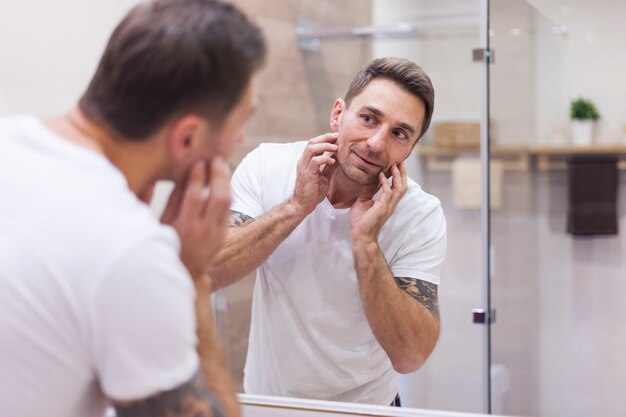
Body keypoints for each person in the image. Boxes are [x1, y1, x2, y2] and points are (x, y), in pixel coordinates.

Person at [0, 1, 265, 416]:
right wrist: (191, 279)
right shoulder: (131, 253)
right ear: (188, 138)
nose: (241, 137)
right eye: (240, 121)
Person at [209, 57, 447, 406]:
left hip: (369, 408)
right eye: (368, 118)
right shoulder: (267, 166)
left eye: (399, 133)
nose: (377, 143)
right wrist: (295, 207)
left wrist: (365, 242)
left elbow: (410, 356)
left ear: (410, 148)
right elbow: (207, 272)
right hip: (271, 402)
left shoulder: (420, 214)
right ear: (338, 114)